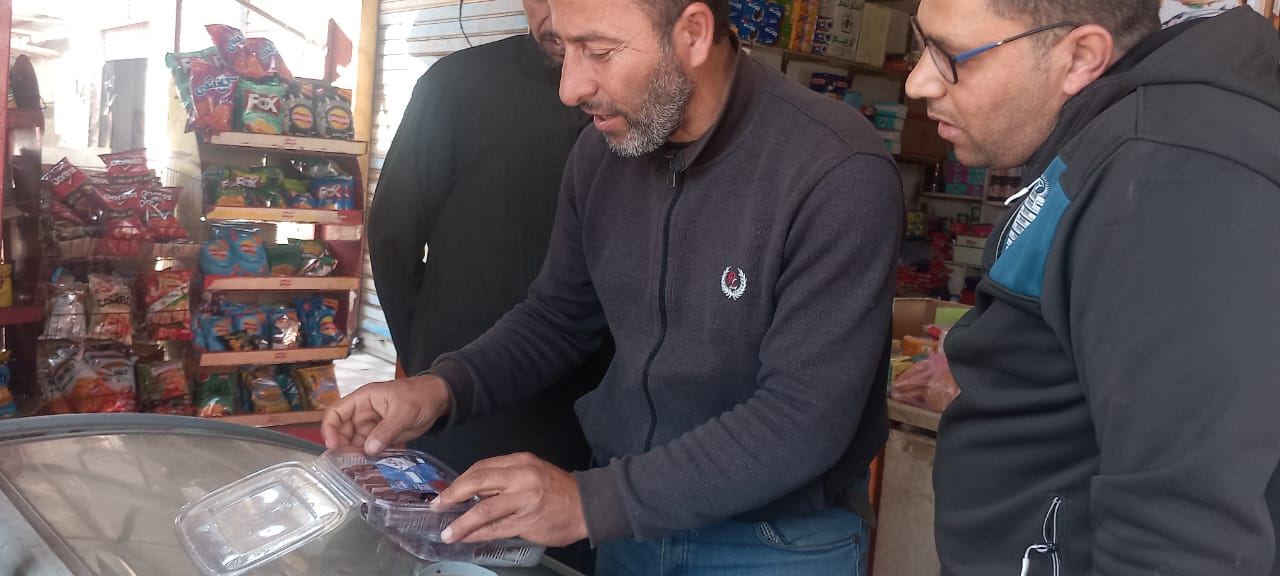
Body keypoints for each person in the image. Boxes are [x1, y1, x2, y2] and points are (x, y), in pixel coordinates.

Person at [327, 0, 903, 573]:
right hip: (629, 534)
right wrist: (440, 388)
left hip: (773, 544)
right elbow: (557, 317)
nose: (570, 89)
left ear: (693, 34)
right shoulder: (601, 155)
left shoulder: (836, 170)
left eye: (598, 52)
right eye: (564, 49)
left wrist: (591, 502)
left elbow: (804, 417)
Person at [905, 1, 1280, 574]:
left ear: (1081, 57)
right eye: (922, 42)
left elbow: (1180, 532)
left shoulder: (1172, 174)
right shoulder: (1111, 139)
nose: (918, 82)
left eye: (952, 56)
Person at [366, 0, 609, 476]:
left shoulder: (641, 106)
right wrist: (426, 364)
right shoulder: (455, 87)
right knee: (453, 516)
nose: (556, 13)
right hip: (467, 400)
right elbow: (393, 235)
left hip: (594, 413)